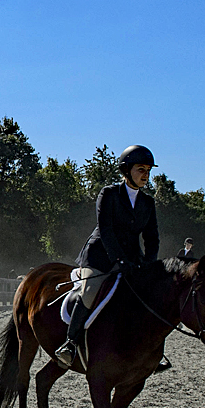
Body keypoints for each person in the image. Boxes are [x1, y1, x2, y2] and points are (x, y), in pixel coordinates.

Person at [57, 145, 160, 370]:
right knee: (91, 289)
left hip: (133, 259)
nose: (146, 175)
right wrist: (119, 260)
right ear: (126, 171)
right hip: (100, 257)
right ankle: (70, 343)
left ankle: (150, 350)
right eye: (141, 169)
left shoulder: (148, 203)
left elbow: (152, 238)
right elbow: (106, 231)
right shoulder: (110, 194)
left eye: (148, 170)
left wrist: (149, 263)